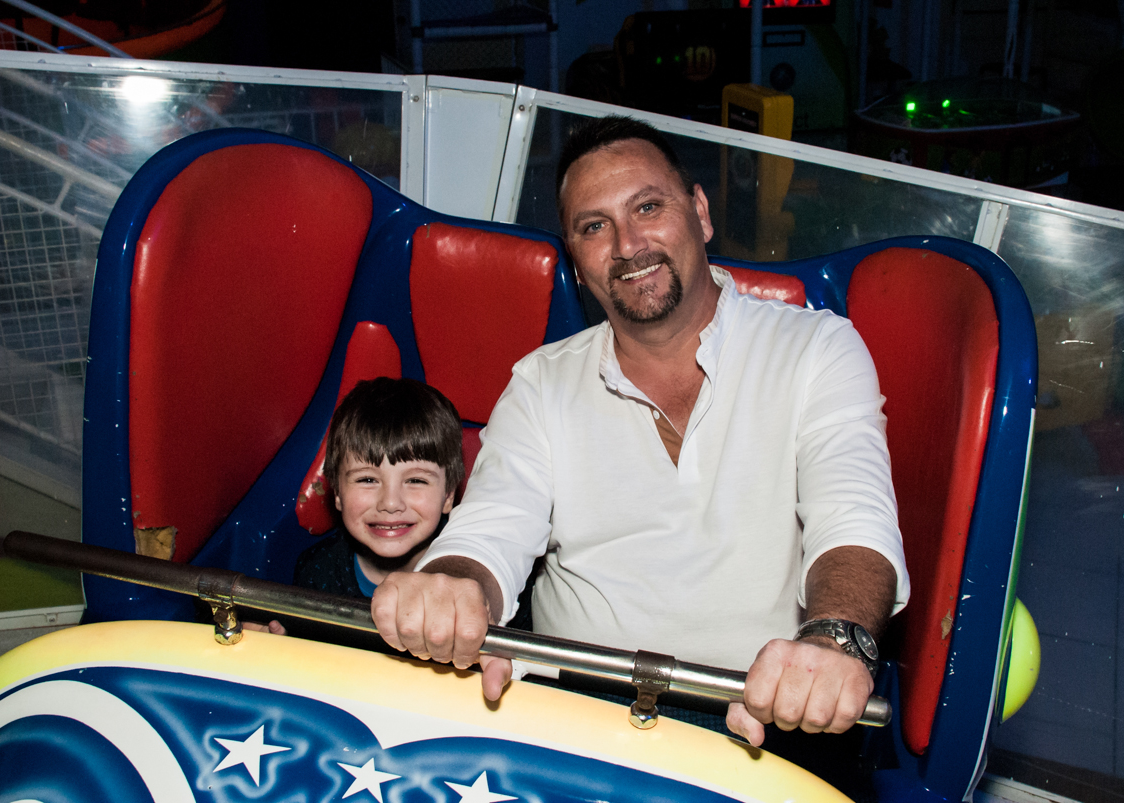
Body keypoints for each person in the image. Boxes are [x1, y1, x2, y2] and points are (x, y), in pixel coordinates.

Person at [370, 116, 911, 752]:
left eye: (648, 207)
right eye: (594, 226)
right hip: (583, 714)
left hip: (768, 711)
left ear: (700, 213)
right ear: (576, 261)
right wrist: (453, 587)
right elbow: (491, 530)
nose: (628, 244)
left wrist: (832, 640)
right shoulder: (542, 381)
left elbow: (854, 521)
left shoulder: (817, 348)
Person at [245, 376, 465, 635]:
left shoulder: (471, 574)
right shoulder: (318, 572)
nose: (390, 503)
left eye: (416, 480)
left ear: (449, 495)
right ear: (337, 493)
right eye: (367, 479)